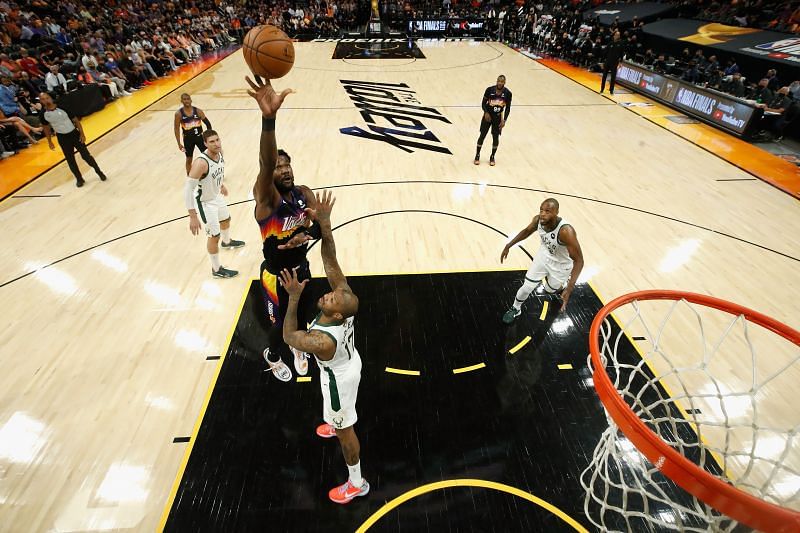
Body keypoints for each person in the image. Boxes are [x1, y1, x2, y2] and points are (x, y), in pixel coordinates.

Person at [279, 190, 369, 505]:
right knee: (336, 416)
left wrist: (291, 299)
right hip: (349, 361)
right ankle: (335, 421)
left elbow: (290, 337)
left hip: (338, 378)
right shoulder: (344, 297)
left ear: (337, 314)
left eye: (330, 299)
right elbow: (329, 258)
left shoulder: (321, 341)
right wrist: (326, 224)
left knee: (347, 431)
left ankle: (356, 482)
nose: (327, 295)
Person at [246, 75, 321, 382]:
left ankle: (298, 348)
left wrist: (310, 230)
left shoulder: (304, 193)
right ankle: (273, 355)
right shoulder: (266, 200)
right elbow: (265, 163)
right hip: (275, 276)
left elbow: (318, 231)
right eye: (278, 166)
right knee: (279, 327)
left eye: (286, 164)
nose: (284, 169)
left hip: (301, 268)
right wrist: (269, 120)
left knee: (302, 317)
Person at [500, 198, 584, 323]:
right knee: (527, 286)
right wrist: (509, 245)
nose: (543, 214)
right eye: (541, 210)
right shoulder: (538, 220)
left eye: (548, 211)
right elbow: (527, 231)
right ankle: (515, 308)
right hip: (543, 257)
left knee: (551, 290)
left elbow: (579, 261)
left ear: (556, 212)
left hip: (561, 265)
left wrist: (570, 288)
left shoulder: (566, 232)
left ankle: (561, 285)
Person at [183, 129, 245, 278]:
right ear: (205, 144)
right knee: (213, 236)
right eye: (212, 141)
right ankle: (216, 270)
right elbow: (187, 190)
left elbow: (218, 171)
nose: (216, 144)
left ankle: (227, 242)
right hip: (205, 202)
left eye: (217, 140)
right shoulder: (201, 163)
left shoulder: (220, 153)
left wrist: (220, 184)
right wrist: (192, 216)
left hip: (216, 195)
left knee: (226, 219)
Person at [39, 92, 107, 187]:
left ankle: (99, 171)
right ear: (41, 101)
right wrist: (49, 141)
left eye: (47, 98)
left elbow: (75, 120)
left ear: (50, 98)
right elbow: (46, 128)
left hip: (74, 134)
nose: (46, 100)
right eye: (43, 99)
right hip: (62, 138)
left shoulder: (62, 107)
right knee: (70, 160)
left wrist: (82, 134)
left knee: (86, 156)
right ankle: (79, 179)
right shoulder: (43, 114)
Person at [474, 74, 512, 166]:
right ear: (496, 81)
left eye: (502, 82)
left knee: (495, 138)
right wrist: (486, 112)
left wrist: (504, 120)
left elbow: (508, 108)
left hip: (498, 118)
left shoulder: (508, 93)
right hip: (488, 117)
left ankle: (492, 156)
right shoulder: (489, 90)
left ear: (504, 83)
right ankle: (477, 155)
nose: (500, 83)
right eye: (498, 81)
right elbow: (483, 104)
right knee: (482, 135)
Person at [174, 93, 213, 176]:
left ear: (191, 100)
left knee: (208, 156)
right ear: (181, 101)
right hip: (188, 140)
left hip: (200, 138)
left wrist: (208, 138)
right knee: (189, 159)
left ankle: (212, 172)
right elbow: (176, 129)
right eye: (184, 99)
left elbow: (208, 124)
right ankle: (189, 176)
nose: (186, 101)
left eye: (188, 99)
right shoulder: (178, 114)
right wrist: (179, 143)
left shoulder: (198, 111)